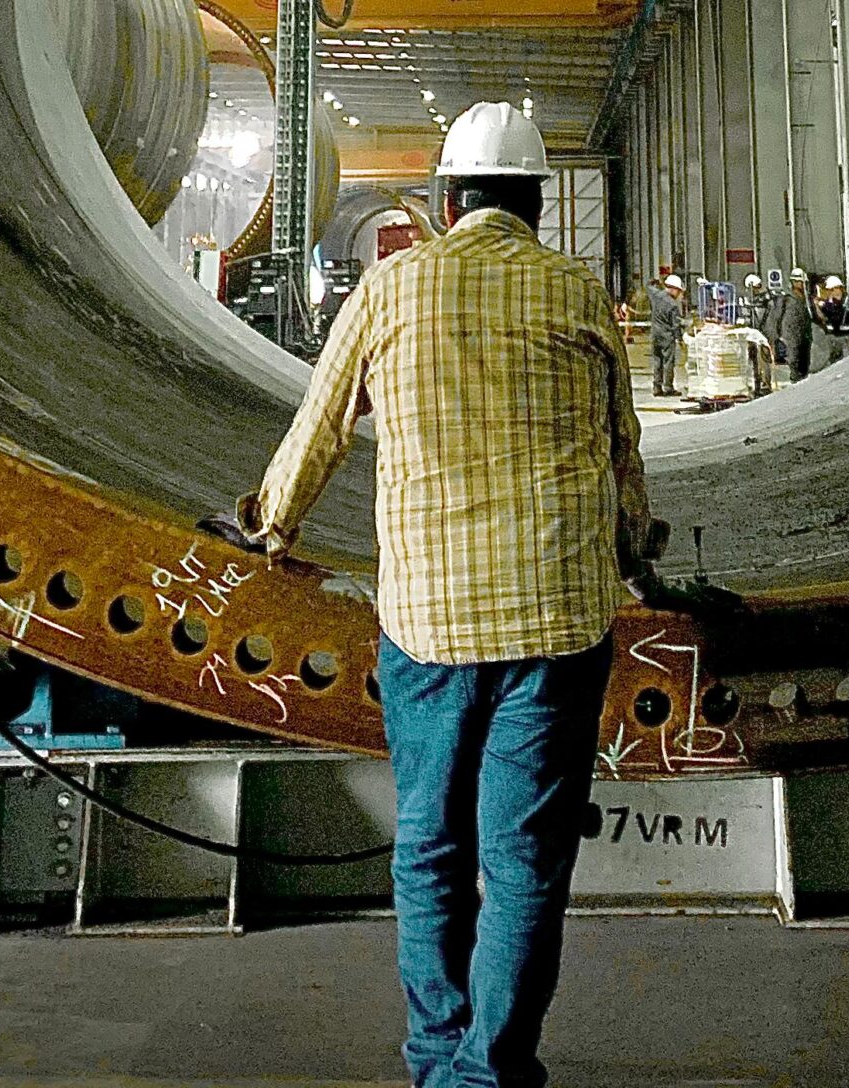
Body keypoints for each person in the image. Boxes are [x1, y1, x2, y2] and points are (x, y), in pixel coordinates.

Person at [241, 101, 664, 1088]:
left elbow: (320, 431)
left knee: (429, 848)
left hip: (428, 627)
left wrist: (271, 527)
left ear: (443, 197)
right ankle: (492, 1067)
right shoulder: (577, 293)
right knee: (522, 866)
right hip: (557, 623)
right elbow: (621, 454)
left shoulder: (391, 286)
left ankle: (438, 1061)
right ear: (537, 202)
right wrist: (637, 561)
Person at [648, 273, 686, 398]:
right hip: (666, 336)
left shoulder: (656, 296)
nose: (679, 294)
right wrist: (680, 339)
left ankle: (656, 388)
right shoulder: (673, 305)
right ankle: (668, 387)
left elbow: (649, 287)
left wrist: (654, 281)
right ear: (673, 288)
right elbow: (676, 325)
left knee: (657, 360)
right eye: (678, 291)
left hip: (654, 334)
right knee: (668, 362)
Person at [816, 274, 849, 368]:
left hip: (847, 338)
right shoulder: (828, 304)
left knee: (846, 365)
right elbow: (822, 318)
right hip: (832, 339)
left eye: (831, 289)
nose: (829, 292)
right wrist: (816, 305)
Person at [781, 267, 814, 381]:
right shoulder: (787, 299)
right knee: (794, 360)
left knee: (805, 361)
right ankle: (795, 380)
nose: (801, 284)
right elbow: (781, 317)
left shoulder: (807, 299)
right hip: (792, 335)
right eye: (799, 282)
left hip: (805, 335)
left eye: (803, 282)